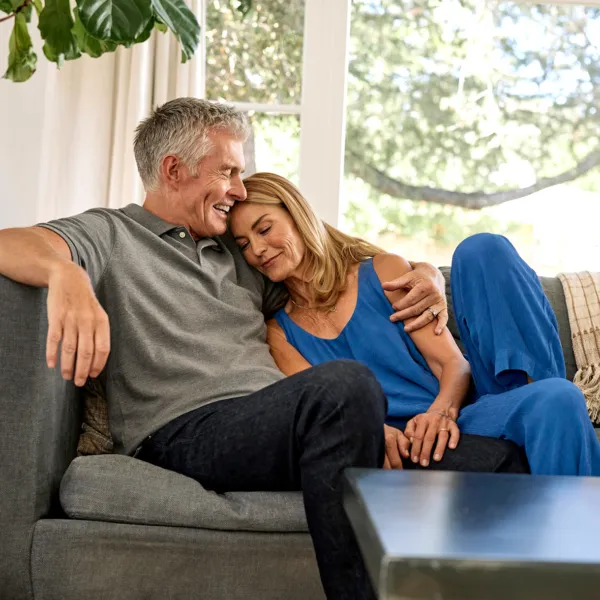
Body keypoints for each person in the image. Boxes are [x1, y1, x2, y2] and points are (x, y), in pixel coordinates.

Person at [0, 98, 526, 600]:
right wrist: (63, 272)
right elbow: (9, 242)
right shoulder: (111, 235)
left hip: (282, 424)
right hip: (184, 429)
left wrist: (428, 273)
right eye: (226, 170)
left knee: (503, 463)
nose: (237, 187)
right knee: (345, 386)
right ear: (174, 169)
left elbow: (335, 267)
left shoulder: (239, 253)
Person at [229, 171, 600, 476]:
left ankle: (535, 406)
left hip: (460, 413)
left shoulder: (383, 272)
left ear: (297, 215)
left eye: (264, 229)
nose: (257, 250)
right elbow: (325, 410)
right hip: (408, 442)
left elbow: (452, 363)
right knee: (561, 398)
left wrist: (439, 413)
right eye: (243, 244)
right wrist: (376, 433)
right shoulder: (279, 334)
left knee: (483, 249)